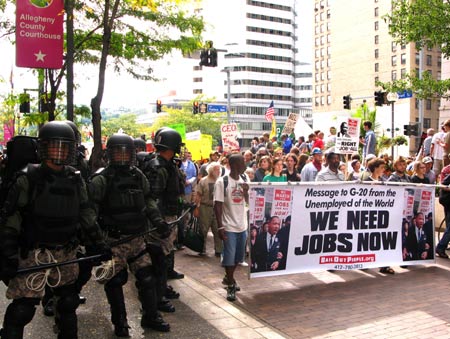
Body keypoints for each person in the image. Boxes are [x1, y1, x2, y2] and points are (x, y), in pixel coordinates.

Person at [0, 121, 108, 339]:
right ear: (43, 148)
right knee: (22, 310)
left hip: (65, 251)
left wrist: (98, 242)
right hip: (33, 254)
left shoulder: (75, 179)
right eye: (53, 146)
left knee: (68, 302)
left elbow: (86, 213)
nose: (59, 152)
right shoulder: (27, 177)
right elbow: (11, 218)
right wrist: (8, 254)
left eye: (64, 147)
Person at [144, 127, 186, 305]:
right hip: (161, 220)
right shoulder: (159, 167)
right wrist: (159, 220)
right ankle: (157, 296)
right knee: (159, 258)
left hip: (168, 215)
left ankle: (161, 289)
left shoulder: (167, 165)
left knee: (165, 255)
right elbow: (154, 196)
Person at [213, 154, 249, 302]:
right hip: (228, 226)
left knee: (238, 257)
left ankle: (228, 277)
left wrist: (246, 192)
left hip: (242, 225)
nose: (245, 165)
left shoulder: (245, 179)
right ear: (234, 165)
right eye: (242, 163)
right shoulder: (223, 182)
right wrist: (220, 227)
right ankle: (231, 285)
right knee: (229, 257)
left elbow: (248, 201)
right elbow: (218, 205)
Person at [195, 162, 222, 257]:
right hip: (205, 207)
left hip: (217, 208)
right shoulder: (203, 181)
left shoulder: (221, 181)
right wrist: (197, 208)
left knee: (217, 229)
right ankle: (202, 249)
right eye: (216, 169)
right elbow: (198, 195)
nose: (218, 171)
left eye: (219, 169)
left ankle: (219, 250)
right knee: (203, 229)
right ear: (211, 170)